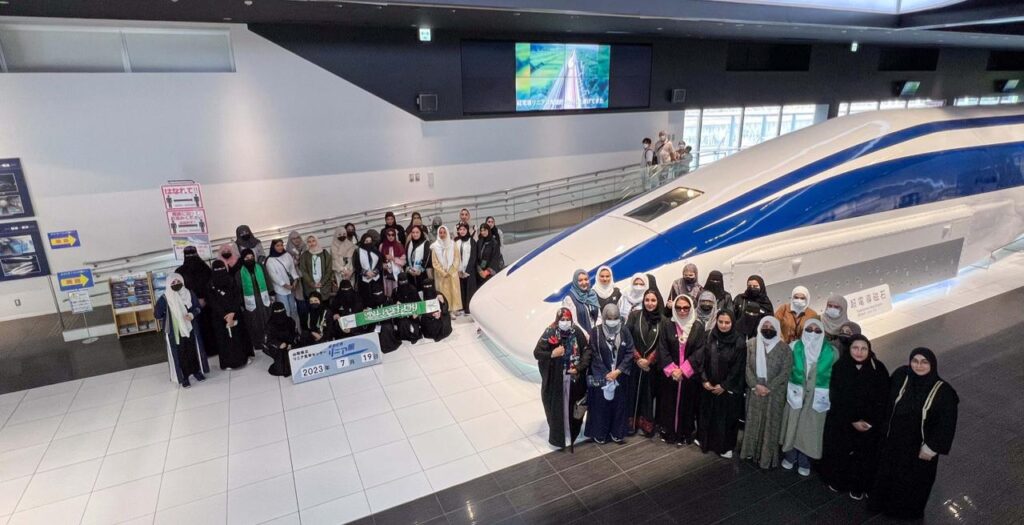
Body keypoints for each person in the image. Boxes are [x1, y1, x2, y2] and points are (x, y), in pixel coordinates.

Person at [870, 348, 958, 519]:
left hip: (918, 449)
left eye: (924, 362)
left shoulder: (943, 392)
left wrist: (931, 448)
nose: (918, 366)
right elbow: (885, 398)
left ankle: (903, 513)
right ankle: (882, 504)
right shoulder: (902, 375)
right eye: (915, 361)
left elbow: (947, 424)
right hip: (893, 442)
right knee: (888, 474)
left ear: (932, 364)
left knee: (911, 482)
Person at [820, 335, 889, 500]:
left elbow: (884, 397)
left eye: (863, 349)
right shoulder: (840, 367)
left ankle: (860, 486)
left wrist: (869, 421)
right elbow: (836, 396)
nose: (859, 352)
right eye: (855, 348)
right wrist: (853, 419)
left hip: (869, 425)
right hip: (843, 422)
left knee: (864, 456)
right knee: (841, 453)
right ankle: (839, 481)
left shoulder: (878, 369)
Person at [780, 318, 838, 476]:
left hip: (817, 398)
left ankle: (805, 461)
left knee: (810, 430)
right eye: (809, 330)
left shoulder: (832, 353)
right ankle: (790, 457)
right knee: (792, 426)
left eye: (817, 330)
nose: (813, 333)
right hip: (795, 394)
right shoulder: (793, 347)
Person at [534, 308, 592, 450]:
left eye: (568, 320)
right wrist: (552, 354)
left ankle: (572, 430)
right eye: (562, 320)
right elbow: (537, 353)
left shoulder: (576, 331)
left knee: (573, 405)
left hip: (574, 378)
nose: (565, 323)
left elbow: (586, 351)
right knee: (558, 406)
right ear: (557, 320)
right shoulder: (550, 332)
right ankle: (558, 434)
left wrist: (578, 367)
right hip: (557, 379)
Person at [740, 316, 792, 469]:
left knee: (770, 425)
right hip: (754, 391)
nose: (768, 329)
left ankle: (766, 457)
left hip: (774, 393)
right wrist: (755, 385)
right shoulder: (751, 344)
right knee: (752, 421)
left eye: (771, 326)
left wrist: (769, 387)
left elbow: (785, 372)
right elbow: (746, 368)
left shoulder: (784, 348)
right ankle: (749, 451)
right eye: (765, 325)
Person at [656, 294, 706, 446]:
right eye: (678, 308)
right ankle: (669, 432)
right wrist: (672, 370)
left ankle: (684, 433)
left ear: (691, 308)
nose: (682, 311)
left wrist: (683, 370)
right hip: (670, 376)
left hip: (688, 377)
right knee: (668, 404)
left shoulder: (698, 327)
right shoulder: (668, 325)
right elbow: (662, 348)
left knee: (688, 405)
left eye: (686, 308)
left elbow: (700, 351)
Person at [697, 310, 747, 457]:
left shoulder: (739, 341)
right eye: (721, 322)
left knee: (725, 420)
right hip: (709, 386)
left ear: (732, 323)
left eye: (727, 322)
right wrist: (704, 379)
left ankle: (724, 448)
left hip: (727, 389)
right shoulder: (709, 336)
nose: (723, 325)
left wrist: (724, 386)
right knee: (708, 416)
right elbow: (701, 360)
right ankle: (706, 443)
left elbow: (738, 367)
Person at [585, 304, 634, 444]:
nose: (612, 320)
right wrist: (606, 374)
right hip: (602, 376)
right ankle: (600, 433)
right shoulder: (596, 332)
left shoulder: (624, 331)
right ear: (604, 317)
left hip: (620, 376)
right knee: (600, 406)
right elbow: (594, 353)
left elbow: (630, 351)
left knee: (619, 406)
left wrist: (618, 371)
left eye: (615, 318)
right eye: (609, 318)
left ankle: (617, 432)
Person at [154, 273, 209, 388]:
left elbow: (197, 307)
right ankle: (184, 377)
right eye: (173, 283)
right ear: (168, 284)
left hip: (190, 328)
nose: (176, 284)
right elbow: (157, 314)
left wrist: (192, 315)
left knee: (192, 349)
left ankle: (196, 371)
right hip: (175, 332)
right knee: (181, 353)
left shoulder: (189, 293)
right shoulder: (165, 298)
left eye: (178, 281)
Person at [625, 289, 662, 436]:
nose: (650, 303)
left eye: (653, 300)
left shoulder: (663, 320)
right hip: (634, 365)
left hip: (651, 368)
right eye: (647, 300)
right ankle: (631, 425)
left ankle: (646, 425)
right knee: (632, 394)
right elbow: (627, 337)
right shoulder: (635, 315)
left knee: (648, 395)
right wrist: (637, 358)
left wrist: (649, 360)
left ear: (658, 301)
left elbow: (663, 344)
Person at [206, 260, 250, 370]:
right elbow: (212, 302)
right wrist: (225, 315)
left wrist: (232, 313)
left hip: (234, 314)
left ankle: (243, 359)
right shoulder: (210, 285)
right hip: (220, 317)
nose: (220, 272)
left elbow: (237, 296)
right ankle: (227, 363)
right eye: (218, 270)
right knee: (224, 341)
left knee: (239, 337)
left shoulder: (231, 280)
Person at [175, 246, 215, 357]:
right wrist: (202, 299)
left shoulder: (181, 271)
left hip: (197, 305)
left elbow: (211, 284)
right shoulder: (204, 268)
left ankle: (203, 351)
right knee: (202, 327)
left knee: (203, 327)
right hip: (197, 305)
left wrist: (201, 299)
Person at [236, 248, 270, 358]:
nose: (250, 259)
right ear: (243, 259)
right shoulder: (239, 273)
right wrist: (241, 302)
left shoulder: (260, 267)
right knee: (254, 322)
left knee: (266, 318)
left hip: (262, 297)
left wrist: (271, 292)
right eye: (247, 258)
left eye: (251, 257)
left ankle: (269, 339)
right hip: (250, 300)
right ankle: (259, 343)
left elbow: (267, 279)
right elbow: (238, 289)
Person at [266, 239, 301, 323]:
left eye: (281, 245)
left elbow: (292, 269)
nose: (280, 247)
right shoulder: (270, 260)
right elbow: (273, 276)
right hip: (280, 290)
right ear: (273, 247)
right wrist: (285, 285)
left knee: (294, 310)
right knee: (286, 311)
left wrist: (295, 280)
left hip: (291, 288)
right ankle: (289, 332)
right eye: (277, 245)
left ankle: (297, 329)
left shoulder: (287, 255)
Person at [430, 225, 463, 313]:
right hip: (441, 275)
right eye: (440, 233)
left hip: (452, 273)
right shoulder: (435, 246)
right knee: (443, 293)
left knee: (453, 292)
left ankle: (453, 310)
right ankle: (445, 311)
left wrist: (451, 270)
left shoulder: (453, 244)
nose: (442, 234)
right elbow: (434, 262)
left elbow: (457, 258)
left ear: (447, 233)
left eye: (444, 232)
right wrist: (443, 272)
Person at [733, 275, 773, 340]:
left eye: (755, 286)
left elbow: (770, 321)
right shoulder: (740, 298)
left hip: (758, 339)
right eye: (749, 286)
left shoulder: (766, 303)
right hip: (739, 337)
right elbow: (732, 316)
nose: (752, 288)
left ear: (761, 287)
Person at [353, 231, 387, 308]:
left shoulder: (375, 250)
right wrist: (366, 273)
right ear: (362, 241)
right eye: (366, 241)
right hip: (364, 281)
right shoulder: (358, 252)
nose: (368, 243)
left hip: (376, 279)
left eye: (370, 241)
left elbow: (380, 263)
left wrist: (375, 272)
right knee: (367, 299)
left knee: (378, 298)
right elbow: (356, 265)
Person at [562, 269, 600, 335]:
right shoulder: (569, 299)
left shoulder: (592, 294)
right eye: (580, 280)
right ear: (575, 282)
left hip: (595, 334)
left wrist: (597, 331)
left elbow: (599, 316)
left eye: (586, 279)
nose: (584, 282)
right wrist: (586, 335)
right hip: (580, 336)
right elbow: (572, 322)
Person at [264, 301, 297, 377]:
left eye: (281, 311)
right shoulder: (270, 325)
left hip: (289, 344)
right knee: (281, 368)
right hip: (277, 347)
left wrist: (290, 343)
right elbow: (267, 340)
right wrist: (279, 344)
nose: (279, 313)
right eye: (277, 311)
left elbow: (294, 333)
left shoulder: (290, 321)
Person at [299, 235, 335, 299]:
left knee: (325, 305)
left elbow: (329, 269)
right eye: (309, 242)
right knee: (314, 305)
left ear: (317, 241)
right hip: (310, 287)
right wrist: (312, 283)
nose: (312, 243)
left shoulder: (324, 253)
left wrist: (322, 282)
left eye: (313, 241)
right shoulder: (304, 255)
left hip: (324, 286)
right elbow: (303, 270)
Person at [392, 273, 423, 344]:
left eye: (405, 281)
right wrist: (395, 303)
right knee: (403, 323)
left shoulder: (413, 289)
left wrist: (417, 312)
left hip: (413, 313)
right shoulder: (395, 291)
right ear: (398, 282)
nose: (403, 283)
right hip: (401, 315)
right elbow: (391, 305)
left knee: (414, 326)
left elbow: (419, 303)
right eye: (401, 282)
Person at [454, 223, 477, 314]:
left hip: (469, 271)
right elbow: (455, 257)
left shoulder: (472, 241)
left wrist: (467, 270)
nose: (462, 231)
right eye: (460, 230)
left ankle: (469, 309)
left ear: (467, 230)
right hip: (459, 271)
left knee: (470, 290)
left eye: (464, 229)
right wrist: (458, 270)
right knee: (461, 290)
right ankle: (462, 307)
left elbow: (473, 256)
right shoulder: (456, 242)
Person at [380, 227, 407, 298]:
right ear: (386, 236)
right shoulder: (382, 246)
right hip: (387, 274)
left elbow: (403, 262)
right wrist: (383, 265)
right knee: (389, 293)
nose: (391, 237)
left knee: (399, 291)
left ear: (395, 236)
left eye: (393, 235)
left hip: (397, 273)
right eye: (389, 235)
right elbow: (379, 260)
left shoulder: (399, 245)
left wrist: (393, 259)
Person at [286, 230, 308, 314]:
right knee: (301, 302)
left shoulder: (305, 247)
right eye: (293, 239)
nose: (296, 240)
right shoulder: (287, 253)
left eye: (298, 237)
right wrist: (296, 260)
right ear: (290, 240)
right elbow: (289, 267)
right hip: (296, 280)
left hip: (307, 277)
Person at [405, 225, 432, 290]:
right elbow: (406, 257)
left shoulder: (426, 243)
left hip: (422, 274)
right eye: (413, 232)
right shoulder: (409, 243)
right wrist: (409, 269)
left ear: (421, 233)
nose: (415, 234)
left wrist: (420, 270)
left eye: (417, 232)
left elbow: (427, 259)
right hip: (411, 274)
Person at [475, 223, 503, 287]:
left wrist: (487, 272)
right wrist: (479, 270)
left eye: (484, 230)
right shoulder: (479, 242)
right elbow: (476, 256)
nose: (483, 232)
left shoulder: (494, 243)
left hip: (489, 273)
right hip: (480, 272)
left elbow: (495, 259)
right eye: (481, 230)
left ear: (488, 230)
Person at [331, 226, 357, 290]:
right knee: (341, 289)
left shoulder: (350, 245)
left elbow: (352, 259)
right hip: (339, 272)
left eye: (344, 234)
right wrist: (343, 270)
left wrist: (349, 271)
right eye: (339, 234)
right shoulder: (333, 247)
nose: (342, 236)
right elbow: (334, 260)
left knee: (350, 289)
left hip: (350, 272)